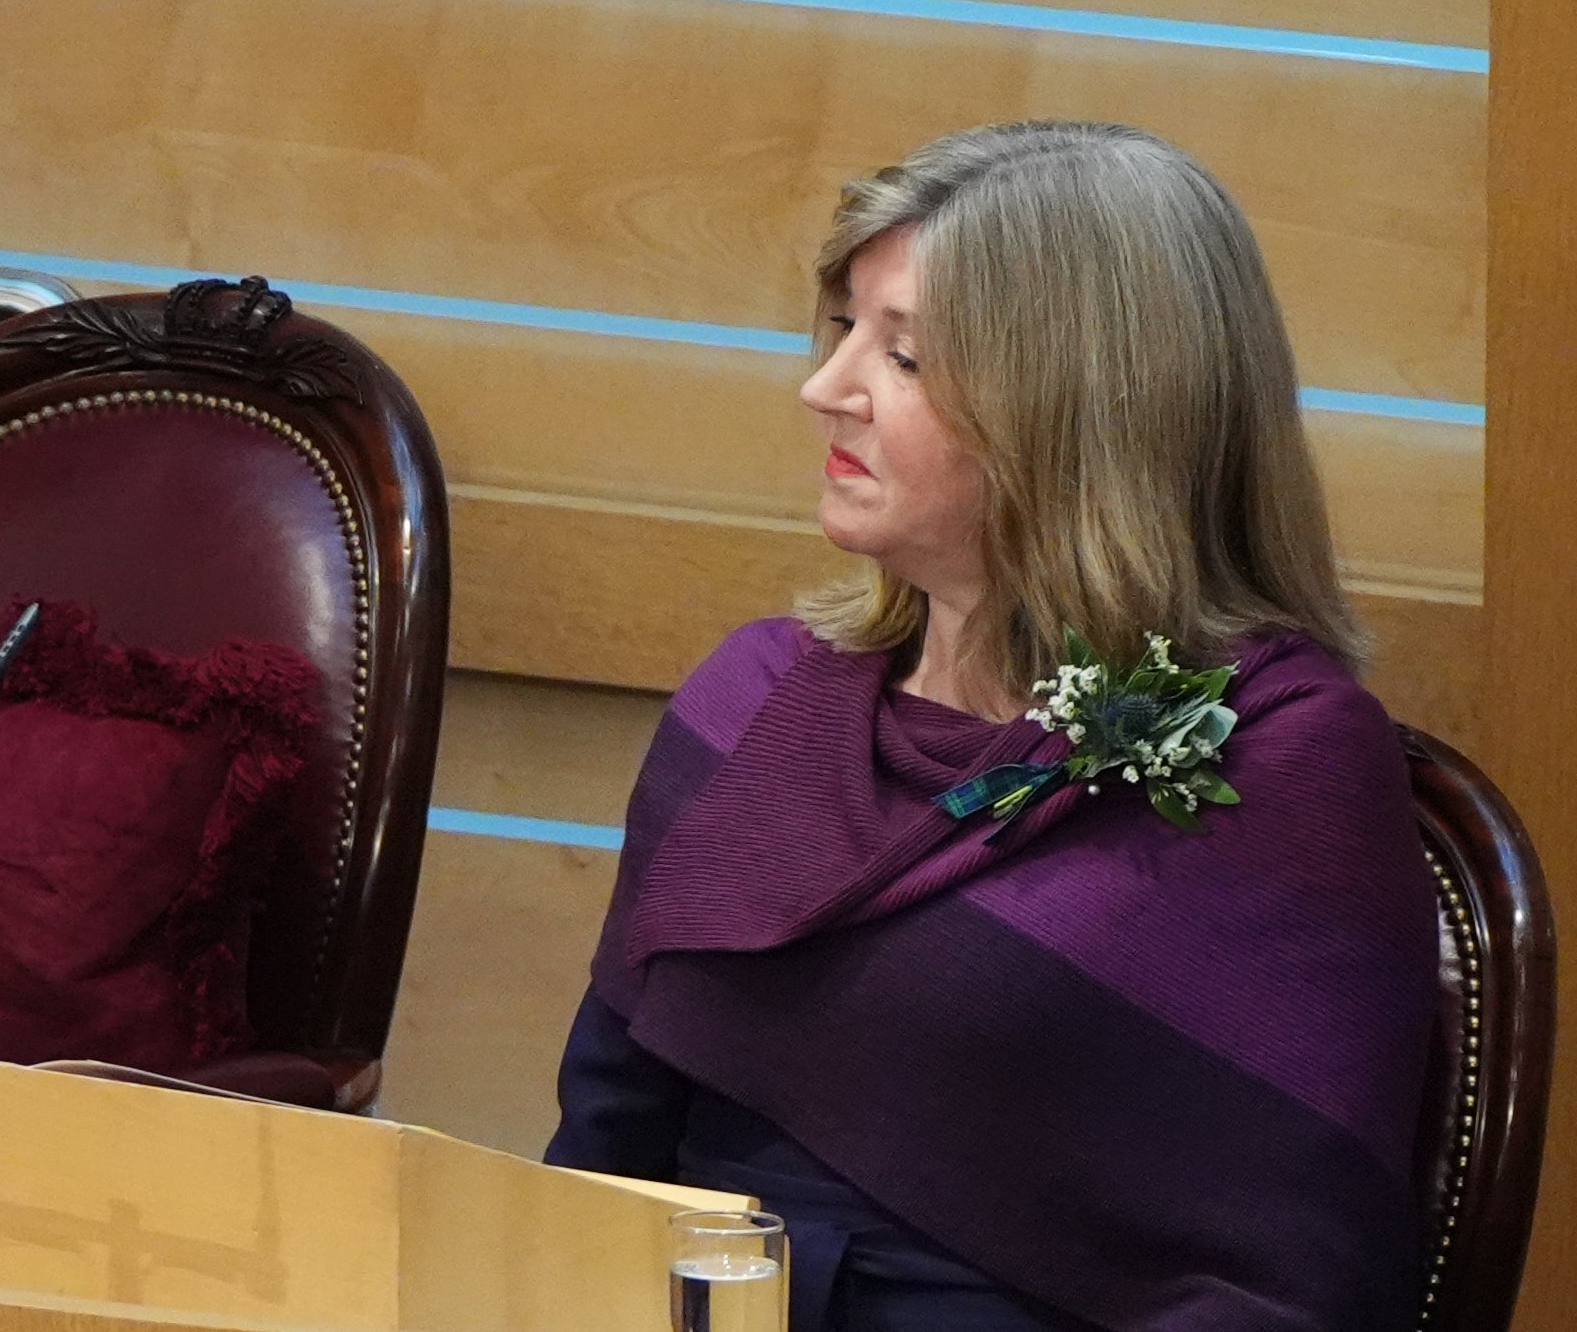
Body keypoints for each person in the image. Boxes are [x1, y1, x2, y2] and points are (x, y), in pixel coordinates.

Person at [547, 121, 1434, 1329]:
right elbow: (598, 1147)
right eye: (842, 327)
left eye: (901, 356)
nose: (826, 386)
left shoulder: (1276, 762)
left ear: (1081, 411)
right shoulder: (749, 697)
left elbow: (1284, 1289)